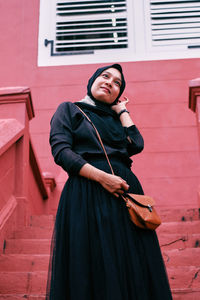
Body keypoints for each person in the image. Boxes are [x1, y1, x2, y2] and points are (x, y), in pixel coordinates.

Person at [46, 64, 172, 300]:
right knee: (93, 261)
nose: (110, 83)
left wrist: (122, 111)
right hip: (86, 192)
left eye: (117, 83)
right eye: (105, 76)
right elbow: (61, 151)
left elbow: (136, 144)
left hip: (126, 196)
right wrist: (103, 178)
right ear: (92, 79)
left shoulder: (116, 120)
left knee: (131, 261)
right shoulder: (69, 110)